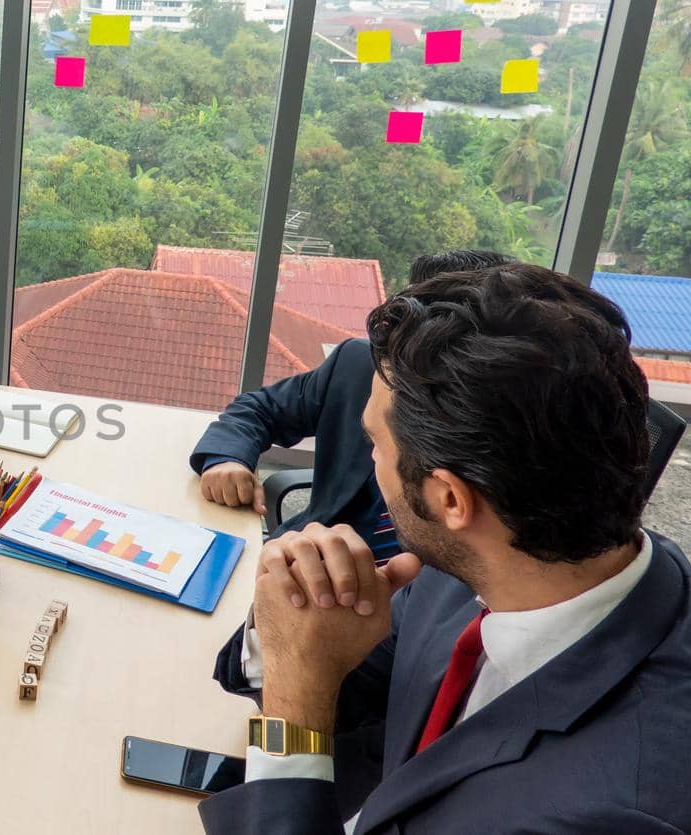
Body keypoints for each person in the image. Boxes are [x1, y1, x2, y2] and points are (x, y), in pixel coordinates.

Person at [202, 264, 691, 833]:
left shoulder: (619, 809)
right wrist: (292, 629)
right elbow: (350, 682)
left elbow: (303, 701)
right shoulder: (482, 566)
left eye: (374, 444)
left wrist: (290, 716)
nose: (371, 462)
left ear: (450, 500)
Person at [190, 250, 514, 560]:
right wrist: (226, 459)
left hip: (406, 602)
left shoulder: (499, 431)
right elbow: (260, 408)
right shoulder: (359, 366)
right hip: (303, 558)